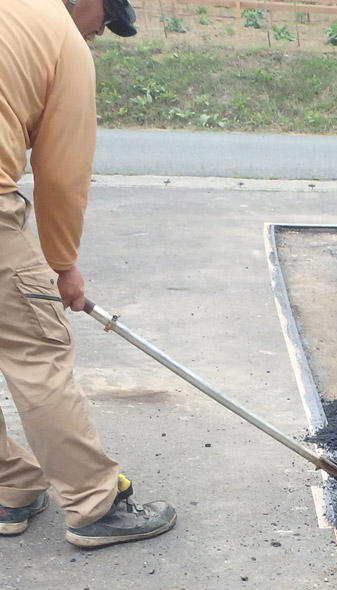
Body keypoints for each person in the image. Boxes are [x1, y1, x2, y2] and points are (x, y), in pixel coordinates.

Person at [0, 0, 175, 548]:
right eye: (108, 16)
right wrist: (61, 266)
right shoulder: (62, 39)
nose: (102, 30)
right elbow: (62, 170)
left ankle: (9, 487)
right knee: (37, 351)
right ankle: (94, 505)